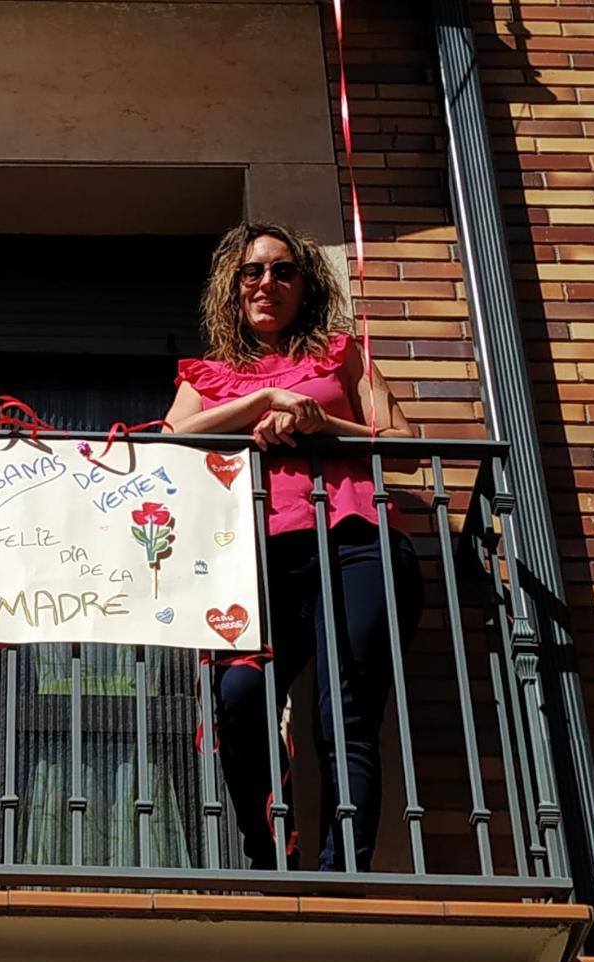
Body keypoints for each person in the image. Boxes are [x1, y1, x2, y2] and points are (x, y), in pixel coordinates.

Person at [165, 222, 423, 873]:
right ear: (234, 285)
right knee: (239, 696)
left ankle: (341, 876)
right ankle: (269, 846)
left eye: (283, 271)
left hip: (356, 544)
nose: (267, 283)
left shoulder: (342, 355)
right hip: (254, 561)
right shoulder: (210, 375)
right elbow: (169, 446)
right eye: (253, 272)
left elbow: (409, 447)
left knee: (345, 717)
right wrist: (260, 400)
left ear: (304, 285)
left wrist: (318, 421)